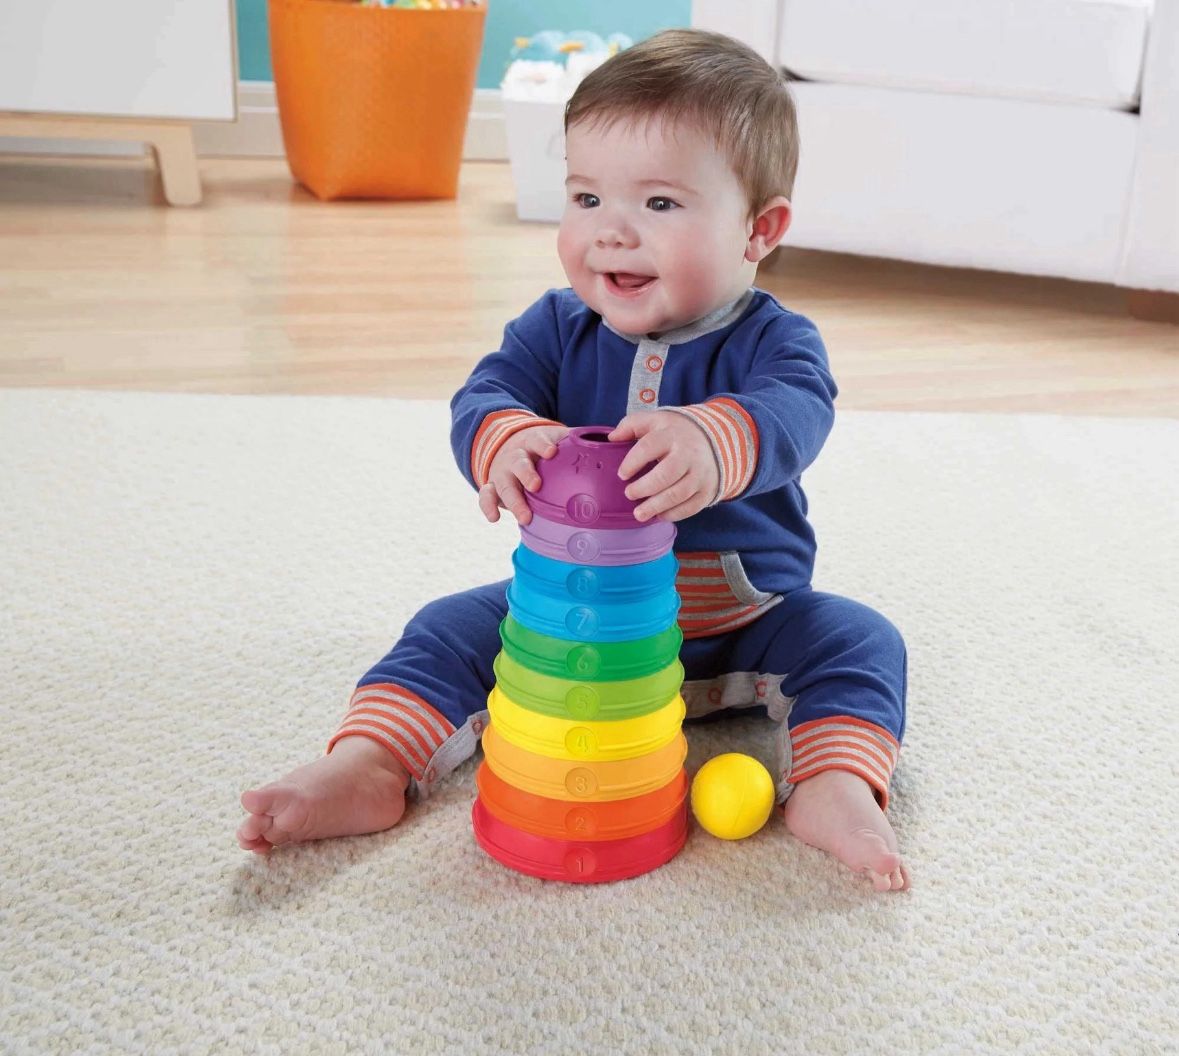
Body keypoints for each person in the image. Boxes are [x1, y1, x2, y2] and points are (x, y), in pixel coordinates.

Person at [237, 28, 910, 892]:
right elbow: (484, 394)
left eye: (660, 205)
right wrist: (504, 437)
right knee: (446, 627)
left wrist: (716, 437)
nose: (611, 233)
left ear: (758, 230)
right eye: (586, 198)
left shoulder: (776, 340)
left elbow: (798, 413)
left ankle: (833, 784)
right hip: (571, 632)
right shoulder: (554, 328)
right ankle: (372, 761)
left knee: (862, 642)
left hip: (744, 625)